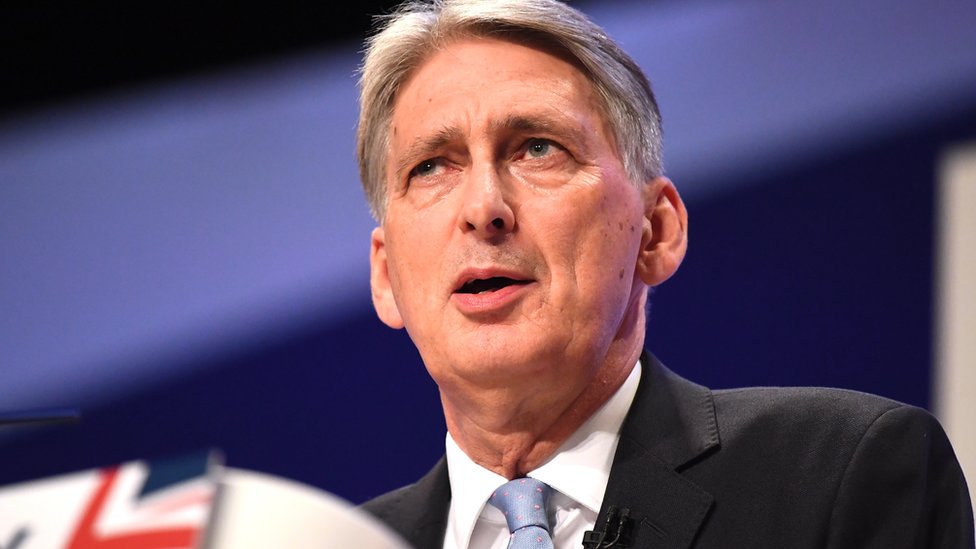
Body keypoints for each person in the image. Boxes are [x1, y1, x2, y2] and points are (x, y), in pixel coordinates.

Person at [354, 1, 974, 547]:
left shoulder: (840, 477)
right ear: (385, 275)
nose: (484, 208)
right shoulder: (341, 542)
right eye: (431, 167)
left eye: (538, 148)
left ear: (656, 230)